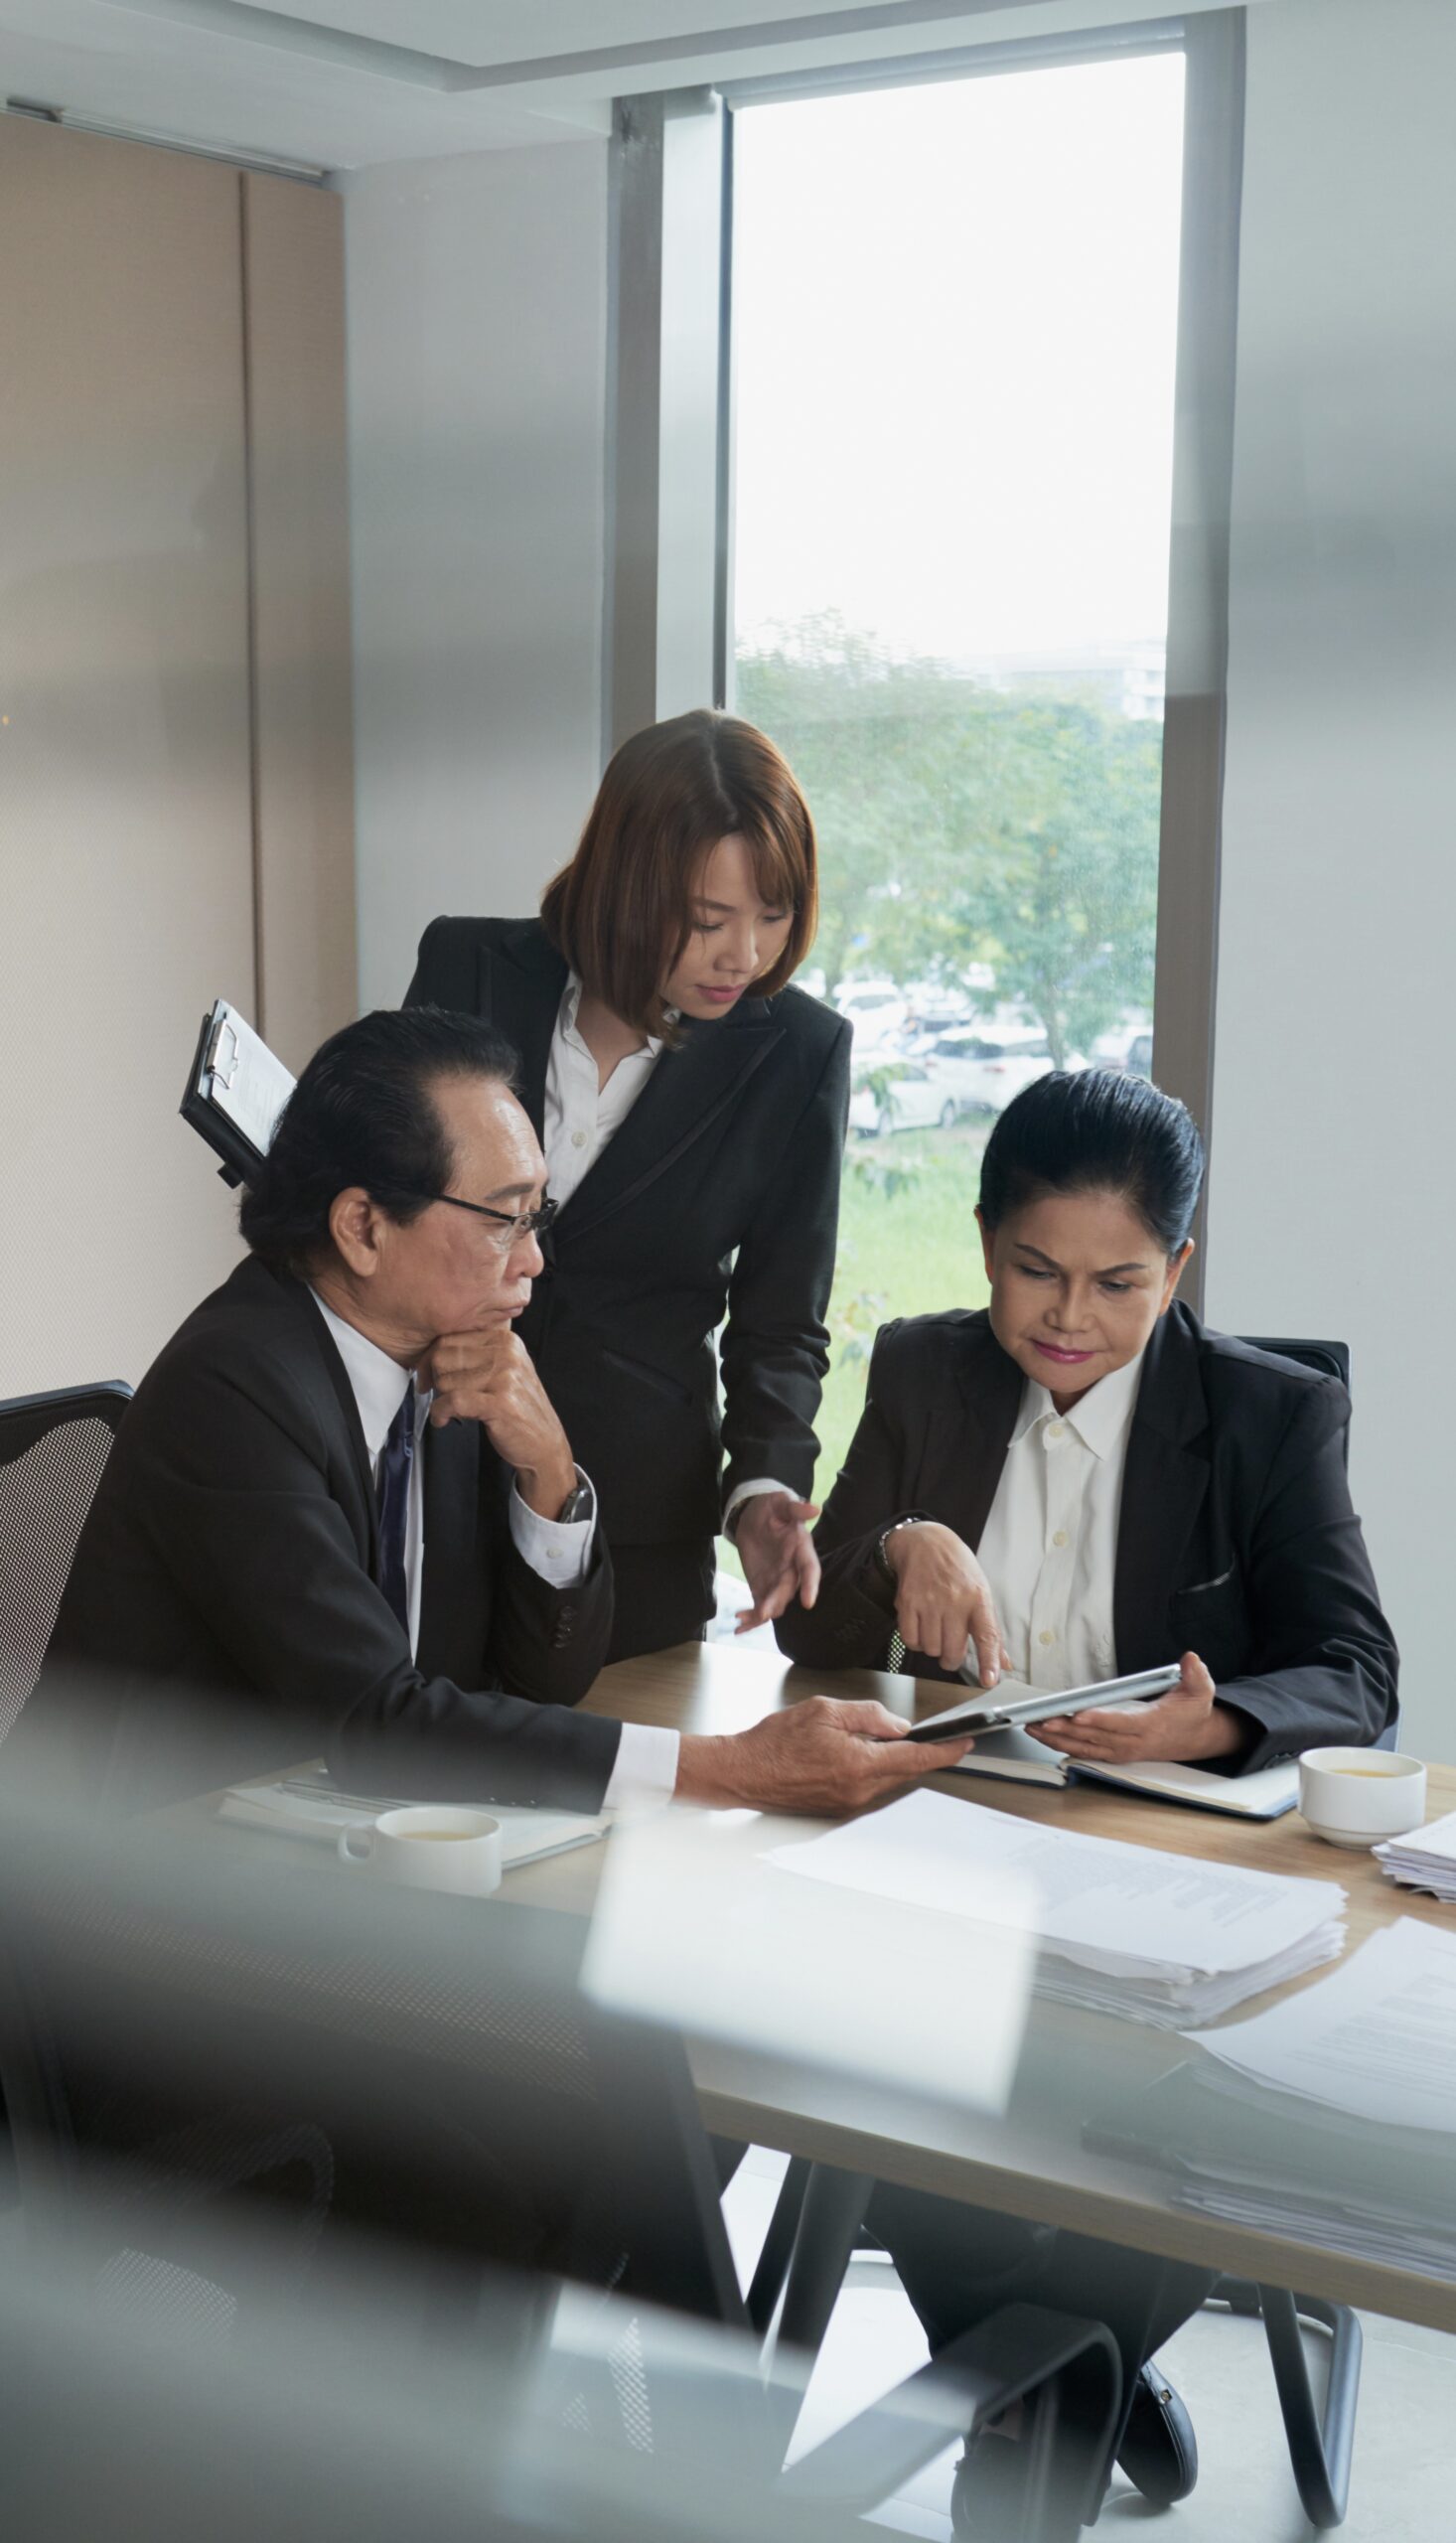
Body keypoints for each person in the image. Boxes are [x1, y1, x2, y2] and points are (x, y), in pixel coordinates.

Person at [776, 1067, 1397, 2523]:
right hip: (952, 1851)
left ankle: (1041, 2410)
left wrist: (1219, 1716)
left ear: (1176, 1269)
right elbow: (814, 1637)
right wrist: (896, 1546)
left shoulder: (1268, 1415)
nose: (1068, 1317)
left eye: (1119, 1282)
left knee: (1195, 2112)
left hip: (1170, 1874)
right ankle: (1075, 2385)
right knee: (876, 2062)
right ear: (983, 1242)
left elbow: (1357, 1669)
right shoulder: (924, 1369)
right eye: (1031, 1272)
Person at [14, 1009, 966, 1822]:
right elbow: (378, 1723)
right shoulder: (235, 1390)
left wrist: (549, 1473)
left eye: (537, 1216)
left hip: (335, 1845)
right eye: (504, 1218)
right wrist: (729, 1768)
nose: (533, 1261)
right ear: (363, 1227)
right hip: (131, 1901)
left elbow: (542, 1679)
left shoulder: (448, 1350)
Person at [404, 708, 852, 1663]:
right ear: (624, 885)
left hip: (632, 1518)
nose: (746, 956)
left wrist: (766, 1490)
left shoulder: (799, 1053)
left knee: (619, 1789)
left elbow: (782, 1318)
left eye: (773, 915)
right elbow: (387, 1191)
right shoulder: (466, 968)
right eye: (707, 921)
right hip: (423, 1471)